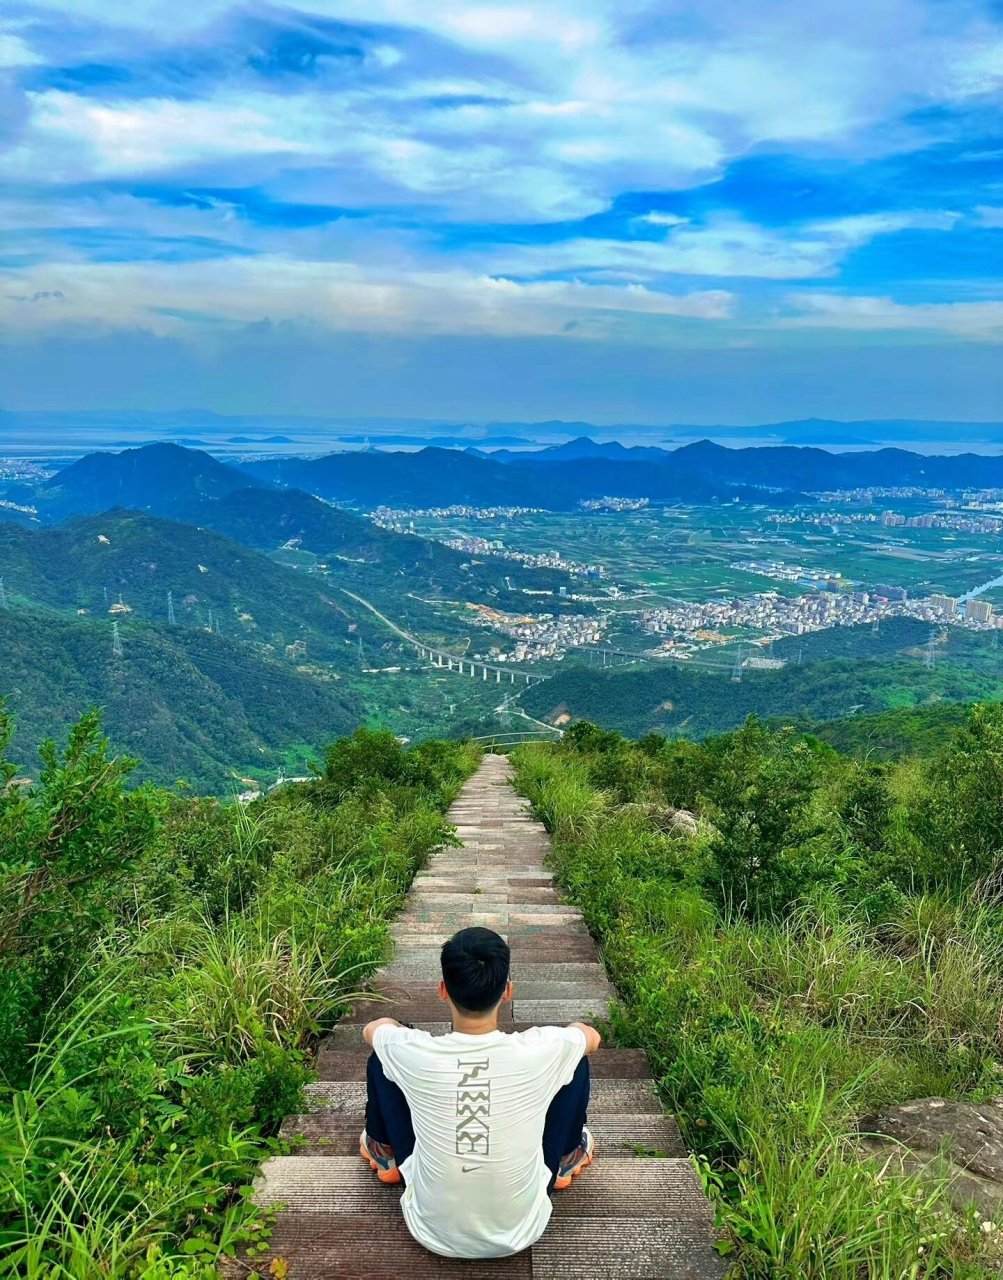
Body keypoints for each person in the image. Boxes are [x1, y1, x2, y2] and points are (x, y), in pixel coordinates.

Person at [359, 925, 602, 1259]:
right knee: (574, 1061)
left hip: (430, 1227)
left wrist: (400, 1030)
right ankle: (567, 1156)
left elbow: (372, 1031)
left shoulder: (413, 1051)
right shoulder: (541, 1048)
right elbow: (591, 1039)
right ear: (508, 991)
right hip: (522, 1228)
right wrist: (570, 1033)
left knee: (383, 1057)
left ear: (443, 990)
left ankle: (382, 1147)